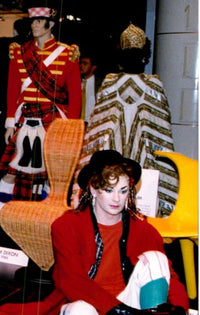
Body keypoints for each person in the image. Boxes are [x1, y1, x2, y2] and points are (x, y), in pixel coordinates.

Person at [0, 150, 192, 315]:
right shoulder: (66, 226)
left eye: (123, 191)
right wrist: (123, 312)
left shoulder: (144, 230)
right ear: (93, 189)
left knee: (156, 258)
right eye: (108, 190)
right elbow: (71, 281)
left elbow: (170, 276)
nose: (117, 198)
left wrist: (179, 309)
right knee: (79, 313)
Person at [75, 24, 179, 217]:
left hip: (131, 160)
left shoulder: (113, 82)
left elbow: (97, 129)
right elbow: (162, 132)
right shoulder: (151, 84)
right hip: (125, 157)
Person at [0, 4, 80, 203]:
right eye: (32, 21)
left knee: (52, 174)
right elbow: (13, 90)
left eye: (39, 21)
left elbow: (75, 97)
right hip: (25, 119)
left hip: (54, 122)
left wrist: (70, 130)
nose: (34, 26)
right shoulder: (19, 52)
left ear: (50, 25)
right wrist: (9, 123)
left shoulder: (67, 54)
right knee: (11, 171)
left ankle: (45, 213)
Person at [79, 52, 101, 123]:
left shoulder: (99, 84)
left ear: (93, 67)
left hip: (92, 123)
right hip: (77, 123)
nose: (81, 66)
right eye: (81, 63)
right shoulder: (76, 82)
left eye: (85, 64)